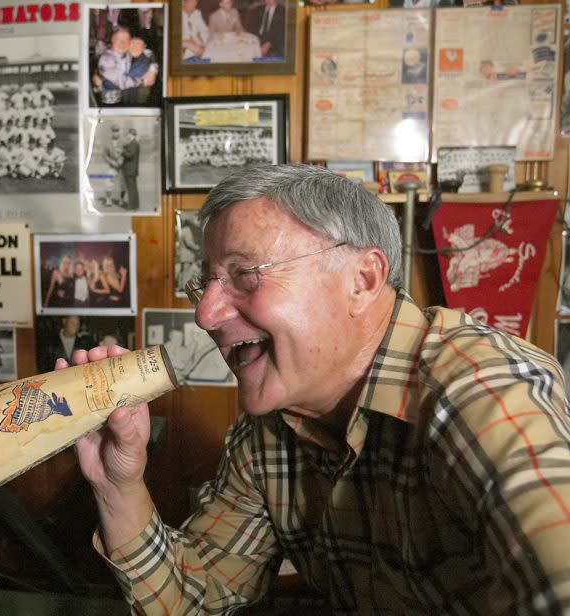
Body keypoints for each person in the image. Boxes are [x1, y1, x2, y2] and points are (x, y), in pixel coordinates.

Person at [60, 164, 570, 613]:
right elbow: (196, 600)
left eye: (244, 274)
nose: (205, 314)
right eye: (206, 284)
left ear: (363, 280)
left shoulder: (481, 388)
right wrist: (116, 486)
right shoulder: (267, 433)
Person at [95, 28, 157, 106]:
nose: (122, 43)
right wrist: (143, 81)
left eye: (126, 40)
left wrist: (153, 69)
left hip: (135, 103)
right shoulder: (107, 57)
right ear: (112, 40)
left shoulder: (141, 62)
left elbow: (149, 52)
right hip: (110, 104)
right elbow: (120, 83)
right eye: (119, 39)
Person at [121, 128, 140, 211]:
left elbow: (130, 155)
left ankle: (131, 206)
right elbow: (129, 150)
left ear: (131, 134)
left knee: (131, 189)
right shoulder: (134, 143)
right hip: (132, 170)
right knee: (134, 188)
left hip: (130, 170)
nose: (127, 135)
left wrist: (122, 152)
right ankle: (135, 205)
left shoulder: (133, 143)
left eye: (128, 134)